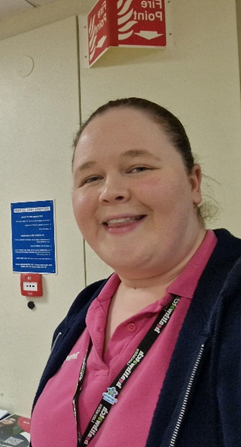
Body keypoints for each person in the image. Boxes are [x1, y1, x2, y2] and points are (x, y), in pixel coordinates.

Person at [30, 97, 241, 446]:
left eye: (138, 168)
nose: (111, 192)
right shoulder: (86, 306)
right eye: (91, 177)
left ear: (193, 184)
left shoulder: (233, 306)